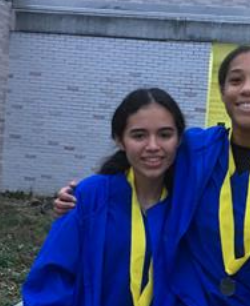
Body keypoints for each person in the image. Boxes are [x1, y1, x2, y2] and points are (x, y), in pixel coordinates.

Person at [54, 46, 250, 306]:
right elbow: (145, 158)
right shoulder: (195, 150)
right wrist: (84, 195)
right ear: (222, 91)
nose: (248, 89)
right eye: (236, 80)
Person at [23, 87, 186, 306]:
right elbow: (52, 282)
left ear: (179, 139)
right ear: (120, 140)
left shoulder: (188, 204)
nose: (153, 146)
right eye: (139, 135)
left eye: (165, 135)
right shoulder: (89, 198)